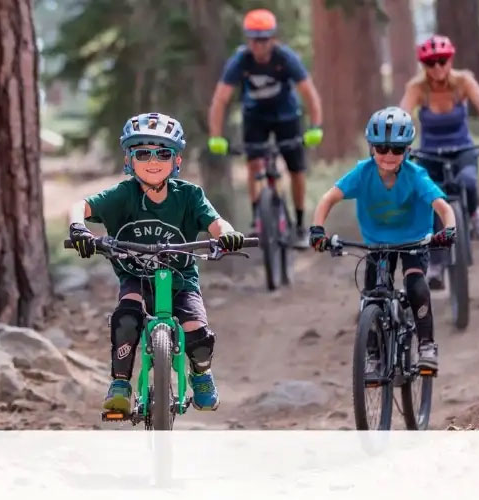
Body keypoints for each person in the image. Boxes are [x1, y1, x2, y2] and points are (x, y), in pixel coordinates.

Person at [68, 112, 246, 414]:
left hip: (180, 280)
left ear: (177, 161)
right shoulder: (123, 195)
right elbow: (80, 206)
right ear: (129, 159)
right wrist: (78, 228)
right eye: (143, 153)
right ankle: (120, 384)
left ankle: (201, 375)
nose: (153, 160)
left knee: (198, 336)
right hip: (135, 277)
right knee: (126, 319)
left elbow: (216, 222)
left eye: (163, 153)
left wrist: (226, 235)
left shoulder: (189, 196)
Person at [308, 107, 457, 372]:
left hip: (414, 241)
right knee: (372, 295)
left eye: (397, 150)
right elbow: (328, 198)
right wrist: (318, 230)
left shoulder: (416, 176)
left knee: (416, 286)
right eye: (382, 148)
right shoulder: (362, 173)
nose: (389, 155)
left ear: (408, 150)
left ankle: (426, 345)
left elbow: (443, 207)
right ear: (371, 148)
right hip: (377, 243)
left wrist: (449, 230)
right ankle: (374, 355)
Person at [399, 34, 479, 289]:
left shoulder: (463, 82)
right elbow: (402, 117)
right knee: (434, 201)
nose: (437, 67)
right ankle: (437, 265)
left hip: (462, 149)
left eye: (442, 60)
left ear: (450, 60)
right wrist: (399, 145)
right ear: (423, 65)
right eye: (430, 62)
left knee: (469, 182)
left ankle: (473, 213)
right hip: (430, 154)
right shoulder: (417, 88)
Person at [206, 8, 323, 249]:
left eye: (264, 40)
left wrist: (316, 127)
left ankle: (300, 225)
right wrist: (215, 135)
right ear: (248, 40)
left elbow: (309, 93)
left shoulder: (286, 58)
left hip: (287, 116)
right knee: (254, 163)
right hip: (255, 117)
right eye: (254, 40)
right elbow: (220, 99)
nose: (259, 46)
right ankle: (257, 217)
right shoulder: (240, 61)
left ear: (273, 39)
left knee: (296, 169)